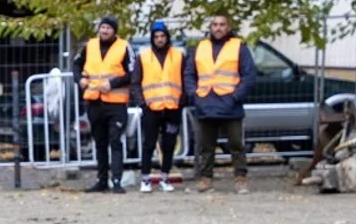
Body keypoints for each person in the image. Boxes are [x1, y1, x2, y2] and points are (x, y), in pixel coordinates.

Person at [181, 14, 256, 195]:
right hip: (206, 102)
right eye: (214, 24)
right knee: (206, 146)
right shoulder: (200, 47)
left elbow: (249, 75)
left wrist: (236, 96)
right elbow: (189, 73)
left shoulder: (239, 47)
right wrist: (194, 94)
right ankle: (206, 179)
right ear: (210, 27)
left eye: (222, 24)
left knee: (237, 144)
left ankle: (240, 179)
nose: (218, 28)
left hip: (230, 104)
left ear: (228, 27)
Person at [78, 16, 133, 194]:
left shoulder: (124, 47)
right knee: (100, 142)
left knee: (115, 141)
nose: (105, 31)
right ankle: (101, 180)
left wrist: (113, 83)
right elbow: (76, 65)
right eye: (102, 27)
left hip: (116, 103)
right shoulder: (89, 46)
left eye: (109, 28)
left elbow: (132, 72)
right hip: (94, 101)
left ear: (114, 31)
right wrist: (79, 79)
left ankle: (116, 180)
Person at [133, 20, 183, 193]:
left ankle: (165, 177)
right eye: (156, 37)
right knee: (148, 144)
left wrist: (181, 102)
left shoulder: (178, 56)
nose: (160, 39)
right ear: (152, 38)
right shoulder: (144, 56)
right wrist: (142, 103)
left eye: (162, 36)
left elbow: (184, 80)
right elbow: (136, 82)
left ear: (167, 37)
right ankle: (145, 179)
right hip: (151, 108)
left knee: (169, 145)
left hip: (172, 108)